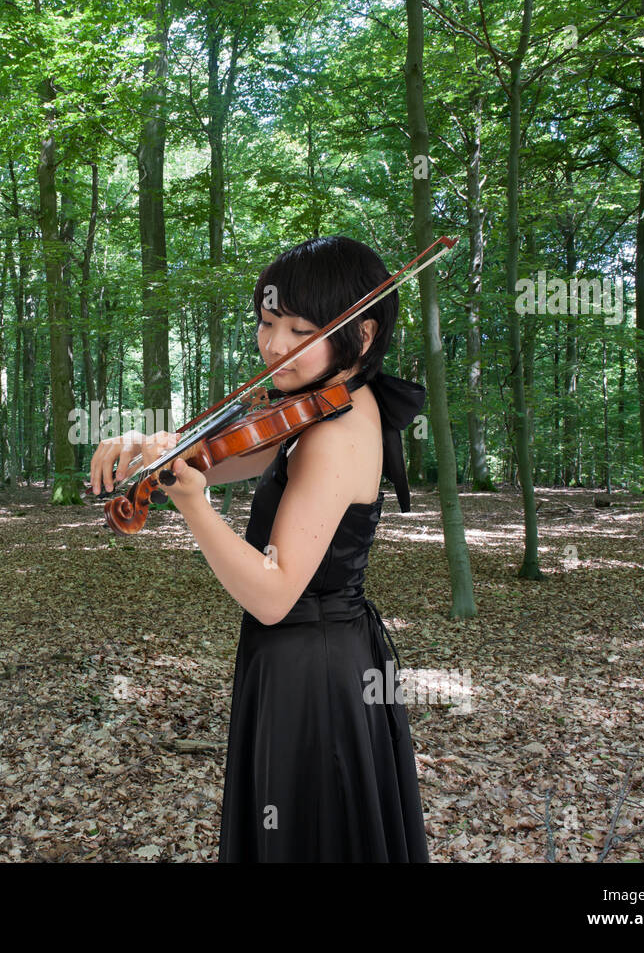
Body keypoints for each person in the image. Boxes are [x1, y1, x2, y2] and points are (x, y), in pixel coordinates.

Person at [88, 235, 430, 862]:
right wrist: (149, 448)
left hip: (314, 668)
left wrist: (192, 504)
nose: (274, 346)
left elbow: (273, 594)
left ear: (360, 336)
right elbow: (219, 456)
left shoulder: (337, 432)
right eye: (268, 322)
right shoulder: (320, 406)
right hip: (313, 657)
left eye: (300, 329)